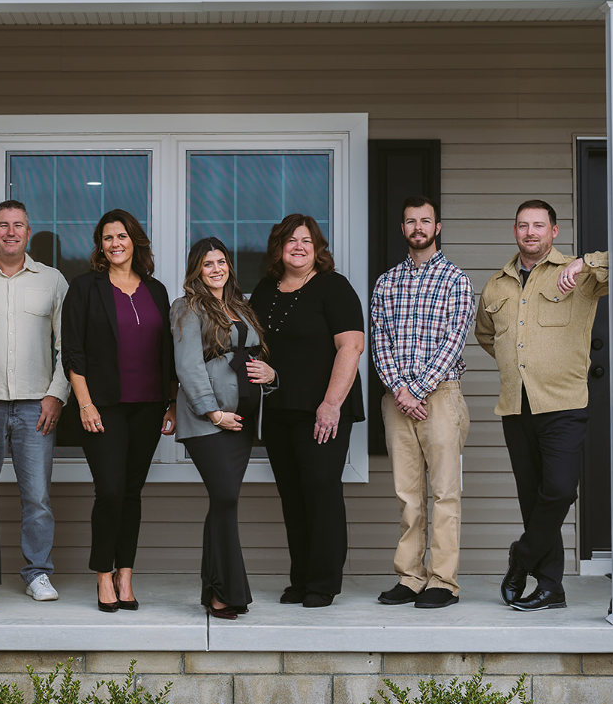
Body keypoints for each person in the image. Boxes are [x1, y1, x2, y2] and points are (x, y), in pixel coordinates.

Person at [475, 199, 613, 611]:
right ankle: (551, 588)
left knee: (560, 490)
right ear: (514, 231)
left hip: (564, 405)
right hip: (516, 407)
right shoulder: (498, 284)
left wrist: (584, 263)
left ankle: (523, 557)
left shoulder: (581, 275)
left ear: (554, 230)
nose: (530, 232)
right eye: (522, 226)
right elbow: (485, 334)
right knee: (532, 500)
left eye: (538, 225)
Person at [61, 208, 176, 612]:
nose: (115, 243)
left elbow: (169, 352)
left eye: (122, 236)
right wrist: (85, 403)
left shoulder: (156, 290)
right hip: (103, 406)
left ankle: (126, 574)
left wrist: (172, 402)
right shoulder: (85, 288)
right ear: (100, 245)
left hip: (148, 407)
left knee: (131, 493)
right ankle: (103, 576)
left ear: (135, 241)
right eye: (108, 237)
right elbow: (72, 351)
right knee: (109, 491)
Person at [250, 214, 365, 608]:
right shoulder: (266, 289)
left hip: (324, 410)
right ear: (278, 247)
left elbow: (351, 348)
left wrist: (331, 405)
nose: (298, 247)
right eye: (291, 240)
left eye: (307, 241)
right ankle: (299, 579)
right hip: (281, 408)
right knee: (293, 497)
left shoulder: (334, 288)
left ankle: (323, 583)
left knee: (321, 493)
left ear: (317, 249)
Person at [370, 197, 475, 610]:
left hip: (442, 396)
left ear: (438, 227)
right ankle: (410, 577)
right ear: (403, 229)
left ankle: (443, 582)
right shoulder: (386, 283)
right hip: (397, 400)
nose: (418, 227)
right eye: (410, 220)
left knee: (445, 493)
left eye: (425, 221)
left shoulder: (456, 280)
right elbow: (380, 342)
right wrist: (401, 389)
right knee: (408, 495)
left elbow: (454, 341)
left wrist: (419, 389)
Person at [0, 200, 70, 602]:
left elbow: (67, 346)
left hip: (35, 407)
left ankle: (37, 573)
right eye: (2, 225)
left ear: (28, 232)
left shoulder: (52, 281)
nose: (10, 232)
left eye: (19, 225)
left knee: (38, 497)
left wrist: (55, 395)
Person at [171, 237, 278, 620]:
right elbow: (188, 366)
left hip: (243, 421)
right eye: (207, 264)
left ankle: (217, 590)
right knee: (226, 499)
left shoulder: (240, 306)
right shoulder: (187, 307)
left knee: (224, 502)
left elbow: (256, 358)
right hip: (211, 422)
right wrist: (213, 413)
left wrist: (271, 374)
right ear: (196, 270)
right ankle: (223, 592)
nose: (216, 269)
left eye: (221, 262)